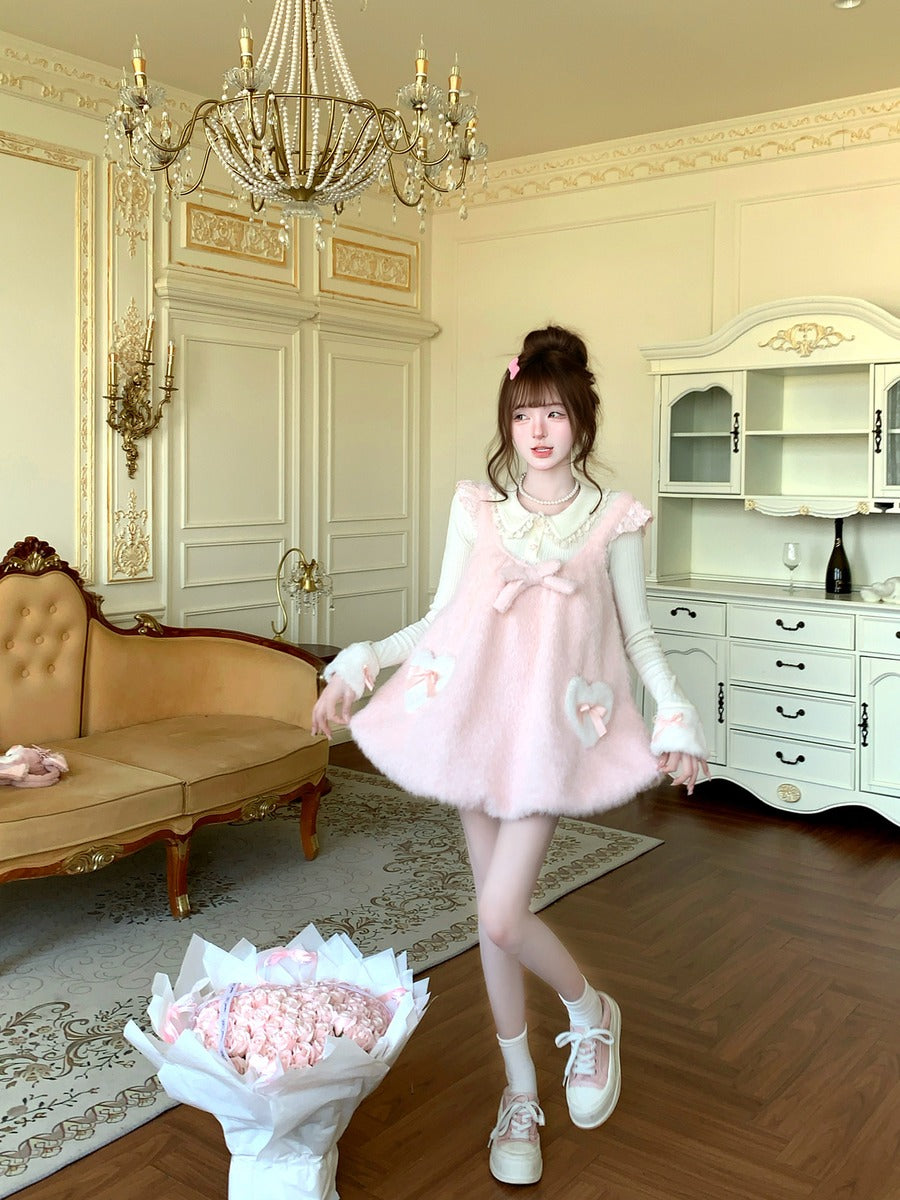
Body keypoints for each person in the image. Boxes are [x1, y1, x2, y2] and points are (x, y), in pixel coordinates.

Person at [311, 324, 708, 1186]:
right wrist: (362, 662)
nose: (538, 430)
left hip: (548, 742)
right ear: (509, 418)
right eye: (525, 412)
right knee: (492, 911)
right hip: (471, 726)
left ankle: (590, 1009)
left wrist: (673, 715)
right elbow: (440, 616)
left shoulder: (613, 520)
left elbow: (639, 638)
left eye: (555, 414)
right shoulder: (478, 510)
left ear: (581, 423)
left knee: (500, 914)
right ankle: (520, 1090)